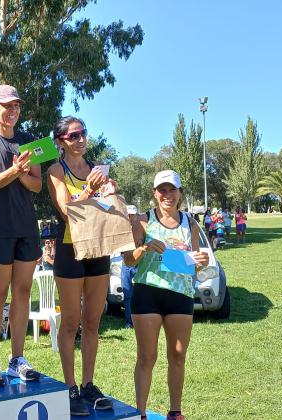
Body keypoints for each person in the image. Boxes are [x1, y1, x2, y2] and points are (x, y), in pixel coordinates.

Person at [46, 116, 117, 415]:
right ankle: (70, 387)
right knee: (71, 322)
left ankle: (88, 384)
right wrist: (89, 191)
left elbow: (111, 205)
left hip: (98, 247)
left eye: (83, 134)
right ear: (61, 141)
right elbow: (66, 212)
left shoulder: (98, 169)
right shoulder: (55, 170)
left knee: (92, 321)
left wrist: (110, 191)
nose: (80, 140)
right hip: (70, 248)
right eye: (73, 136)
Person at [0, 84, 42, 386]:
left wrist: (22, 173)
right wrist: (15, 172)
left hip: (26, 227)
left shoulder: (33, 141)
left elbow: (37, 186)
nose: (12, 111)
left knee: (23, 292)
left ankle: (17, 358)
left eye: (16, 105)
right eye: (6, 105)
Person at [126, 170, 209, 420]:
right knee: (147, 357)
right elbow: (128, 260)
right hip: (147, 292)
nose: (167, 195)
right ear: (154, 193)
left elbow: (193, 263)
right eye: (162, 190)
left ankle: (175, 412)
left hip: (180, 295)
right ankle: (140, 413)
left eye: (172, 189)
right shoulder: (142, 220)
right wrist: (144, 248)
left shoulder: (191, 223)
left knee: (178, 355)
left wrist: (201, 262)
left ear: (180, 193)